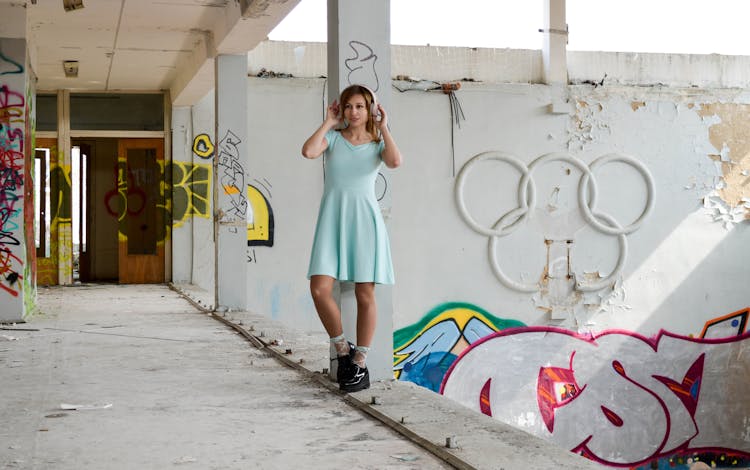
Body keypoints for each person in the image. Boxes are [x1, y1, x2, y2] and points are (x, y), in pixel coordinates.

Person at [301, 84, 402, 393]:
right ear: (341, 110)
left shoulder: (376, 144)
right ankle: (342, 349)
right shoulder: (332, 139)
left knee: (364, 296)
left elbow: (395, 161)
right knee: (319, 289)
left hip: (365, 223)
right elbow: (308, 151)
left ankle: (359, 363)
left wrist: (384, 127)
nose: (353, 112)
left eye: (359, 106)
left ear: (369, 109)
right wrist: (328, 122)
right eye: (348, 107)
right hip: (333, 221)